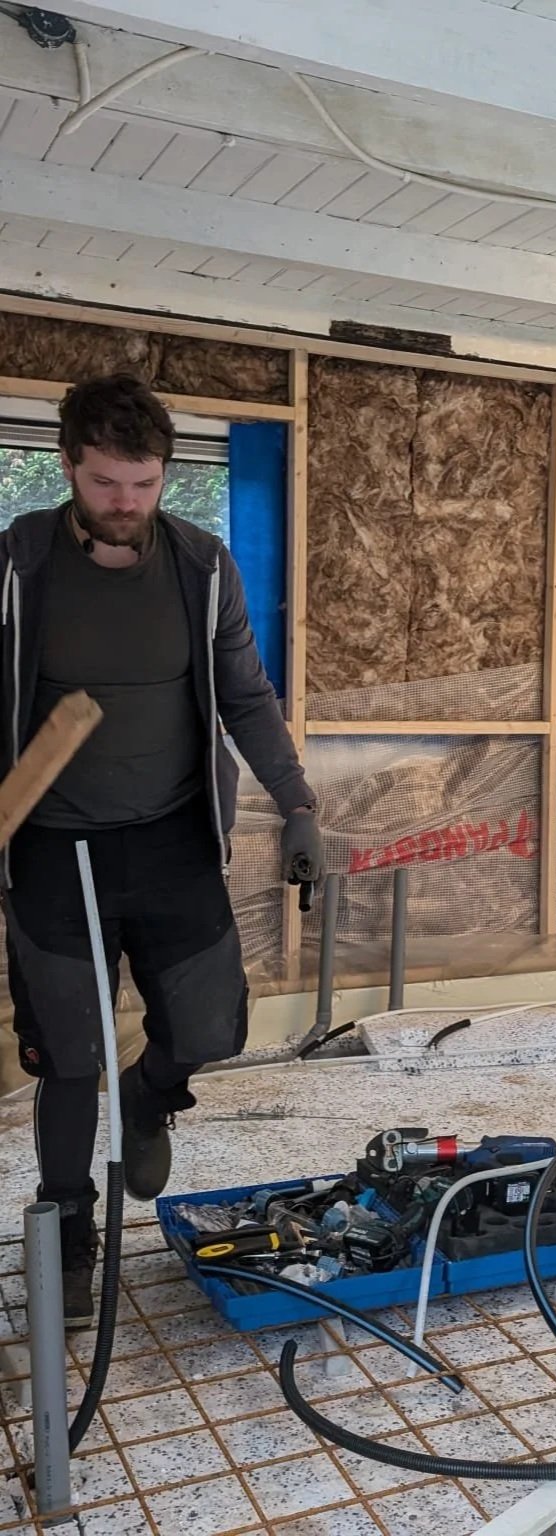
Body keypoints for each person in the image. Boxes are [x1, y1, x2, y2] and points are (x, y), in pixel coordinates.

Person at [0, 373, 323, 1328]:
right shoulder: (19, 562)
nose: (125, 503)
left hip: (173, 839)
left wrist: (297, 803)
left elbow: (246, 695)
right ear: (68, 466)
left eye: (143, 484)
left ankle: (151, 1094)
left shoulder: (201, 566)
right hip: (53, 849)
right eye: (106, 483)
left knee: (213, 1027)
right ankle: (68, 1233)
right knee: (68, 1054)